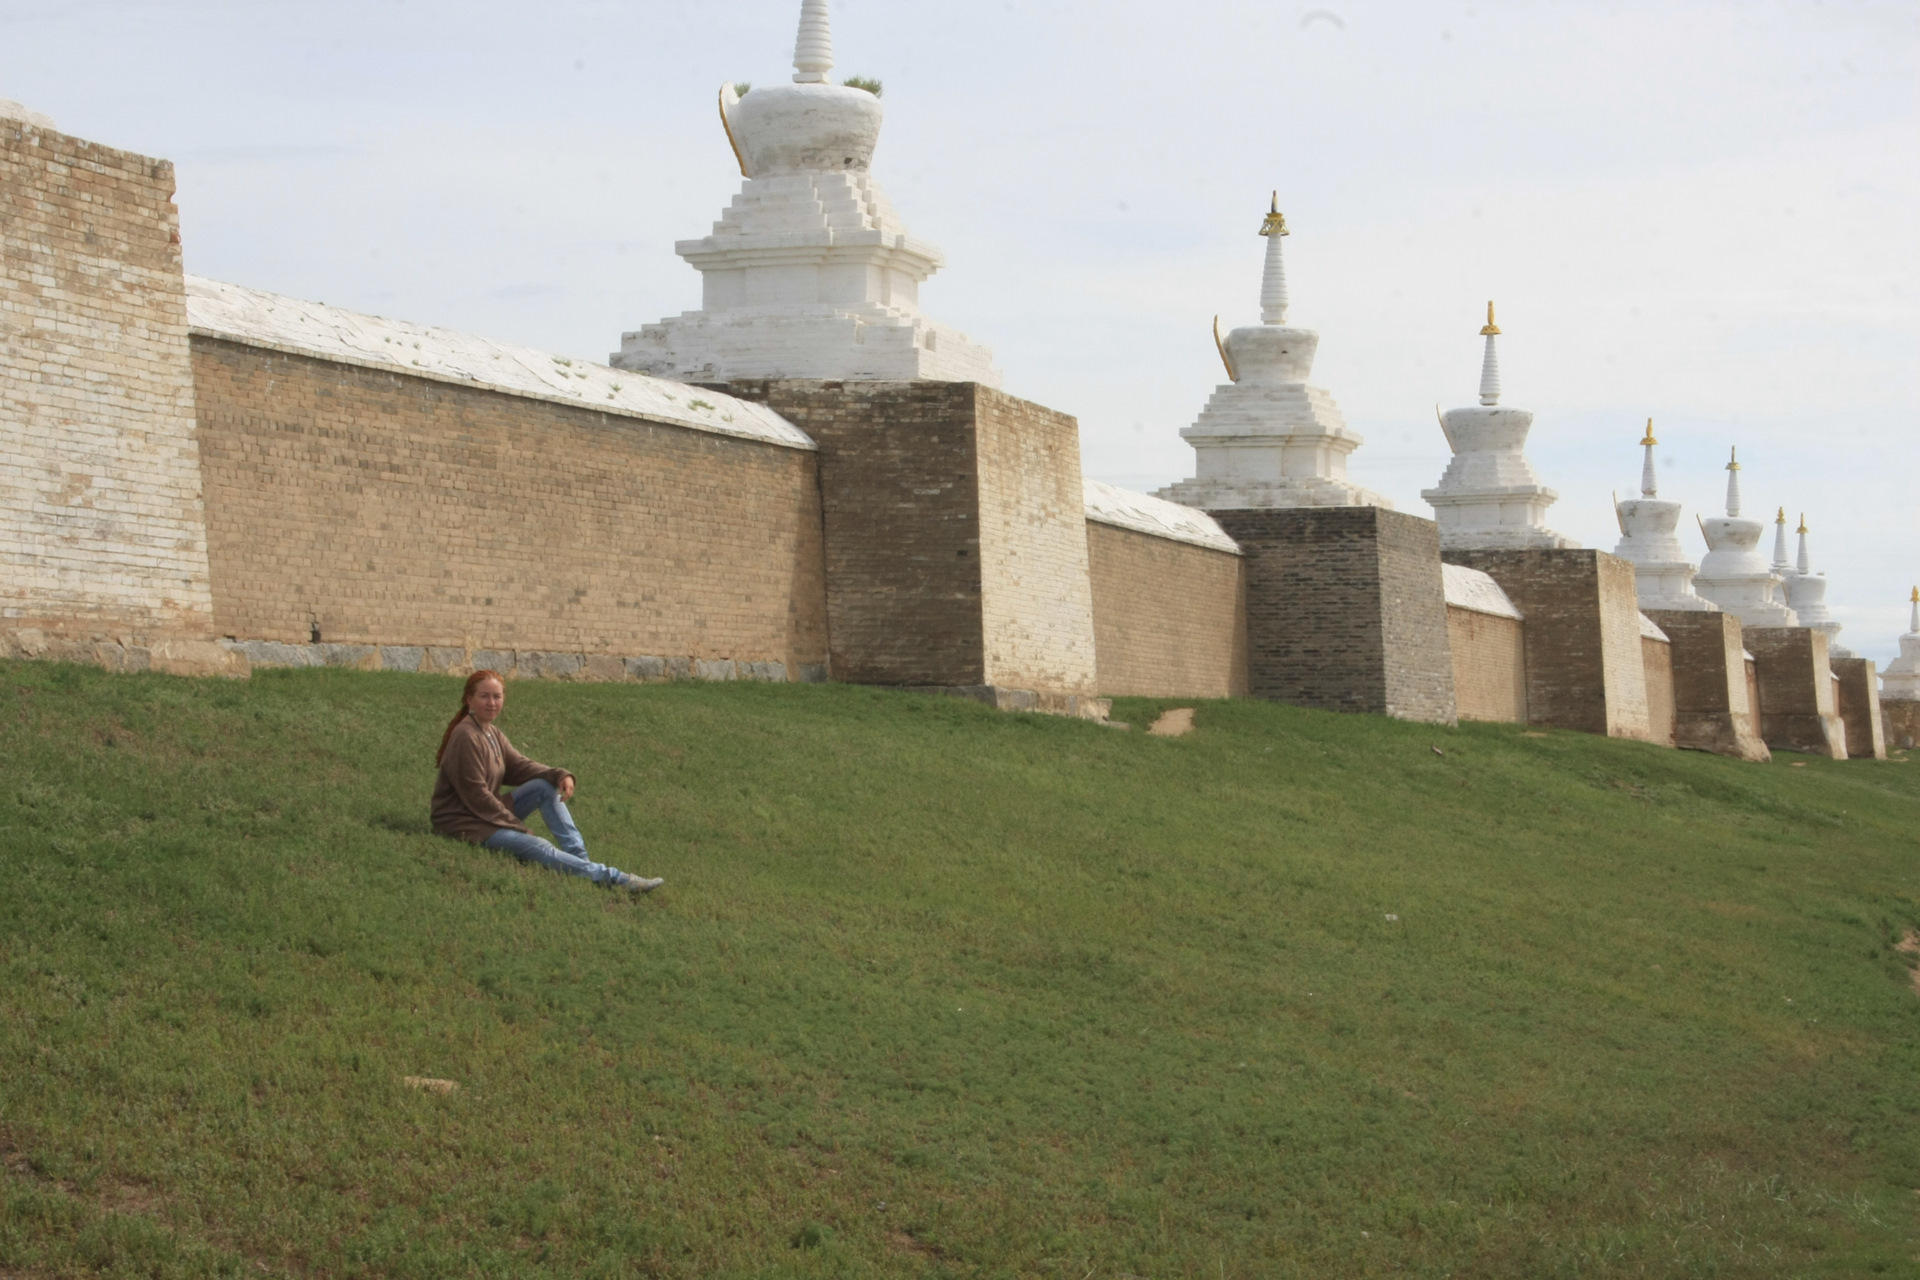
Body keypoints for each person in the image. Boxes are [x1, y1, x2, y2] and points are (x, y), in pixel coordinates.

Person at [430, 670, 663, 894]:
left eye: (497, 696)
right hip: (464, 822)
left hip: (485, 816)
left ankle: (580, 861)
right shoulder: (465, 736)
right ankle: (616, 879)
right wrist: (517, 826)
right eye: (484, 696)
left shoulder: (491, 733)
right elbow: (477, 796)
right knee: (537, 845)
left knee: (545, 786)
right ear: (469, 699)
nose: (491, 702)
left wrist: (559, 774)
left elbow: (519, 766)